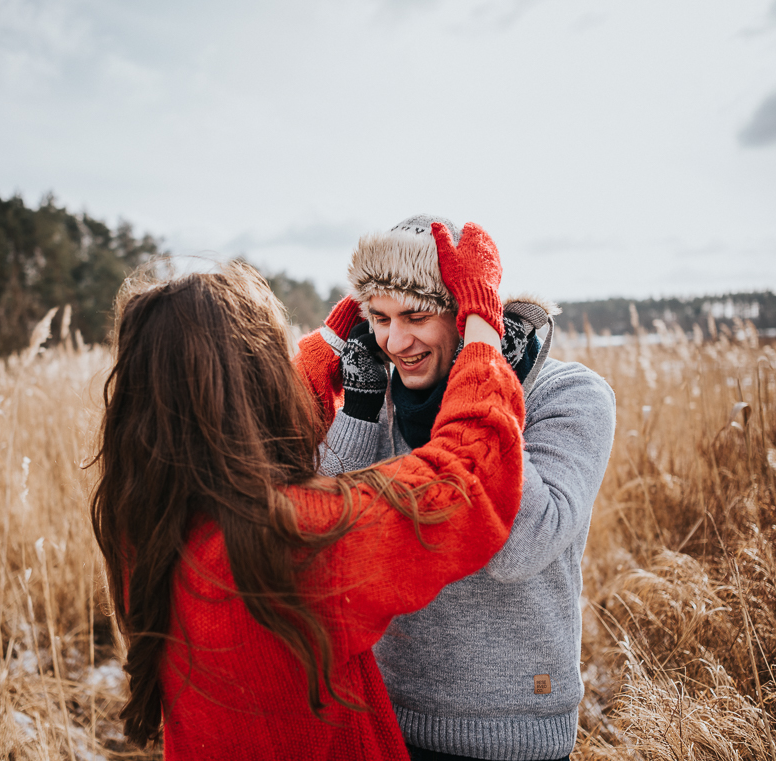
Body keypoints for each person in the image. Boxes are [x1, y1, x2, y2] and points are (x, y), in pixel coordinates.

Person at [89, 245, 528, 760]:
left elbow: (247, 444)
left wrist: (323, 349)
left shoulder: (145, 522)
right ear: (254, 381)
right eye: (274, 356)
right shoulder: (293, 540)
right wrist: (482, 331)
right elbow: (464, 479)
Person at [313, 215, 617, 761]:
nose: (395, 341)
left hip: (512, 730)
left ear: (467, 312)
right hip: (384, 717)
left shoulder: (570, 395)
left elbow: (519, 547)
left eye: (416, 315)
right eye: (378, 318)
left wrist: (482, 382)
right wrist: (357, 410)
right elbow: (329, 543)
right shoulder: (380, 397)